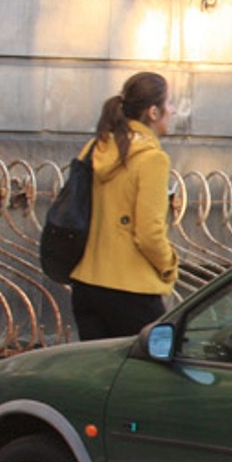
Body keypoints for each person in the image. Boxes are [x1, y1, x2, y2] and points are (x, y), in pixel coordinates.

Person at [69, 71, 181, 339]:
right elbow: (149, 233)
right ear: (153, 112)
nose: (173, 110)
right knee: (156, 374)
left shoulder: (96, 148)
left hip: (86, 283)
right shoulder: (152, 159)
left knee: (99, 375)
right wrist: (169, 266)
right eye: (170, 104)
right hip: (132, 289)